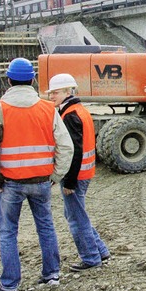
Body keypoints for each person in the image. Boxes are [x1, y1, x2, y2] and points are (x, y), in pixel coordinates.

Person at [0, 58, 74, 291]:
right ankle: (51, 274)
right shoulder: (47, 109)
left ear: (8, 80)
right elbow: (66, 146)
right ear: (32, 80)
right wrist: (56, 175)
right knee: (46, 227)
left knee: (8, 232)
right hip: (41, 182)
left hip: (11, 184)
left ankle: (10, 285)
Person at [46, 73, 110, 272]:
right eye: (51, 93)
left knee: (76, 218)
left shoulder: (70, 115)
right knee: (76, 214)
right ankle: (100, 250)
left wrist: (70, 182)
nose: (51, 97)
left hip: (76, 176)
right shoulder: (78, 111)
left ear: (68, 92)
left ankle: (91, 258)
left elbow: (73, 151)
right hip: (84, 173)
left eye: (55, 93)